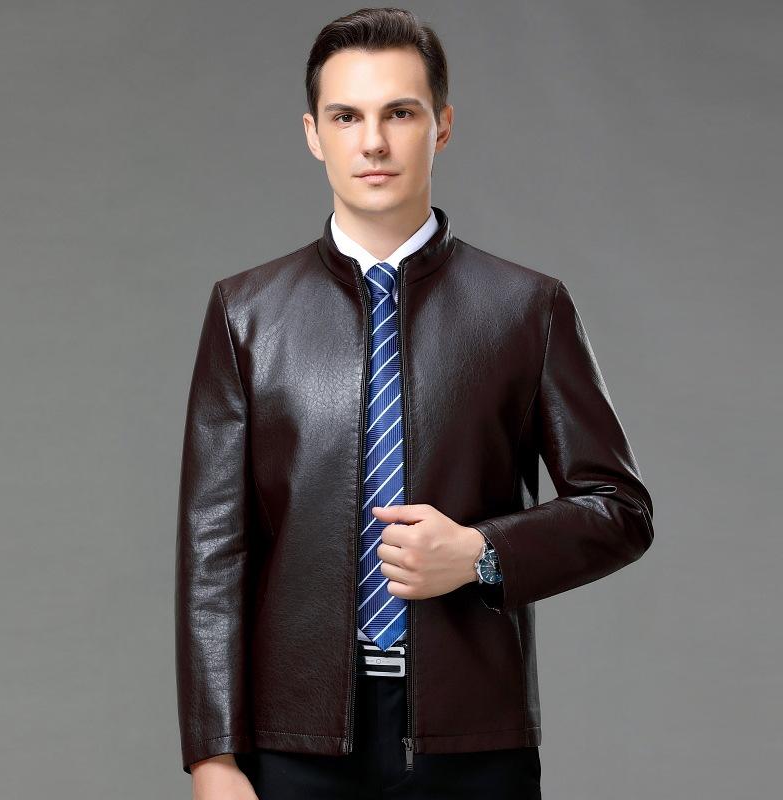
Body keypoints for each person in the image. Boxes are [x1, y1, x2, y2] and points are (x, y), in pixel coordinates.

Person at [175, 7, 654, 799]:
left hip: (471, 739)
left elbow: (620, 509)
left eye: (399, 113)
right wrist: (213, 756)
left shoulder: (525, 308)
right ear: (313, 134)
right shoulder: (246, 313)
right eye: (346, 116)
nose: (373, 142)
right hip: (293, 742)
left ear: (442, 127)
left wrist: (481, 552)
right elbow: (213, 552)